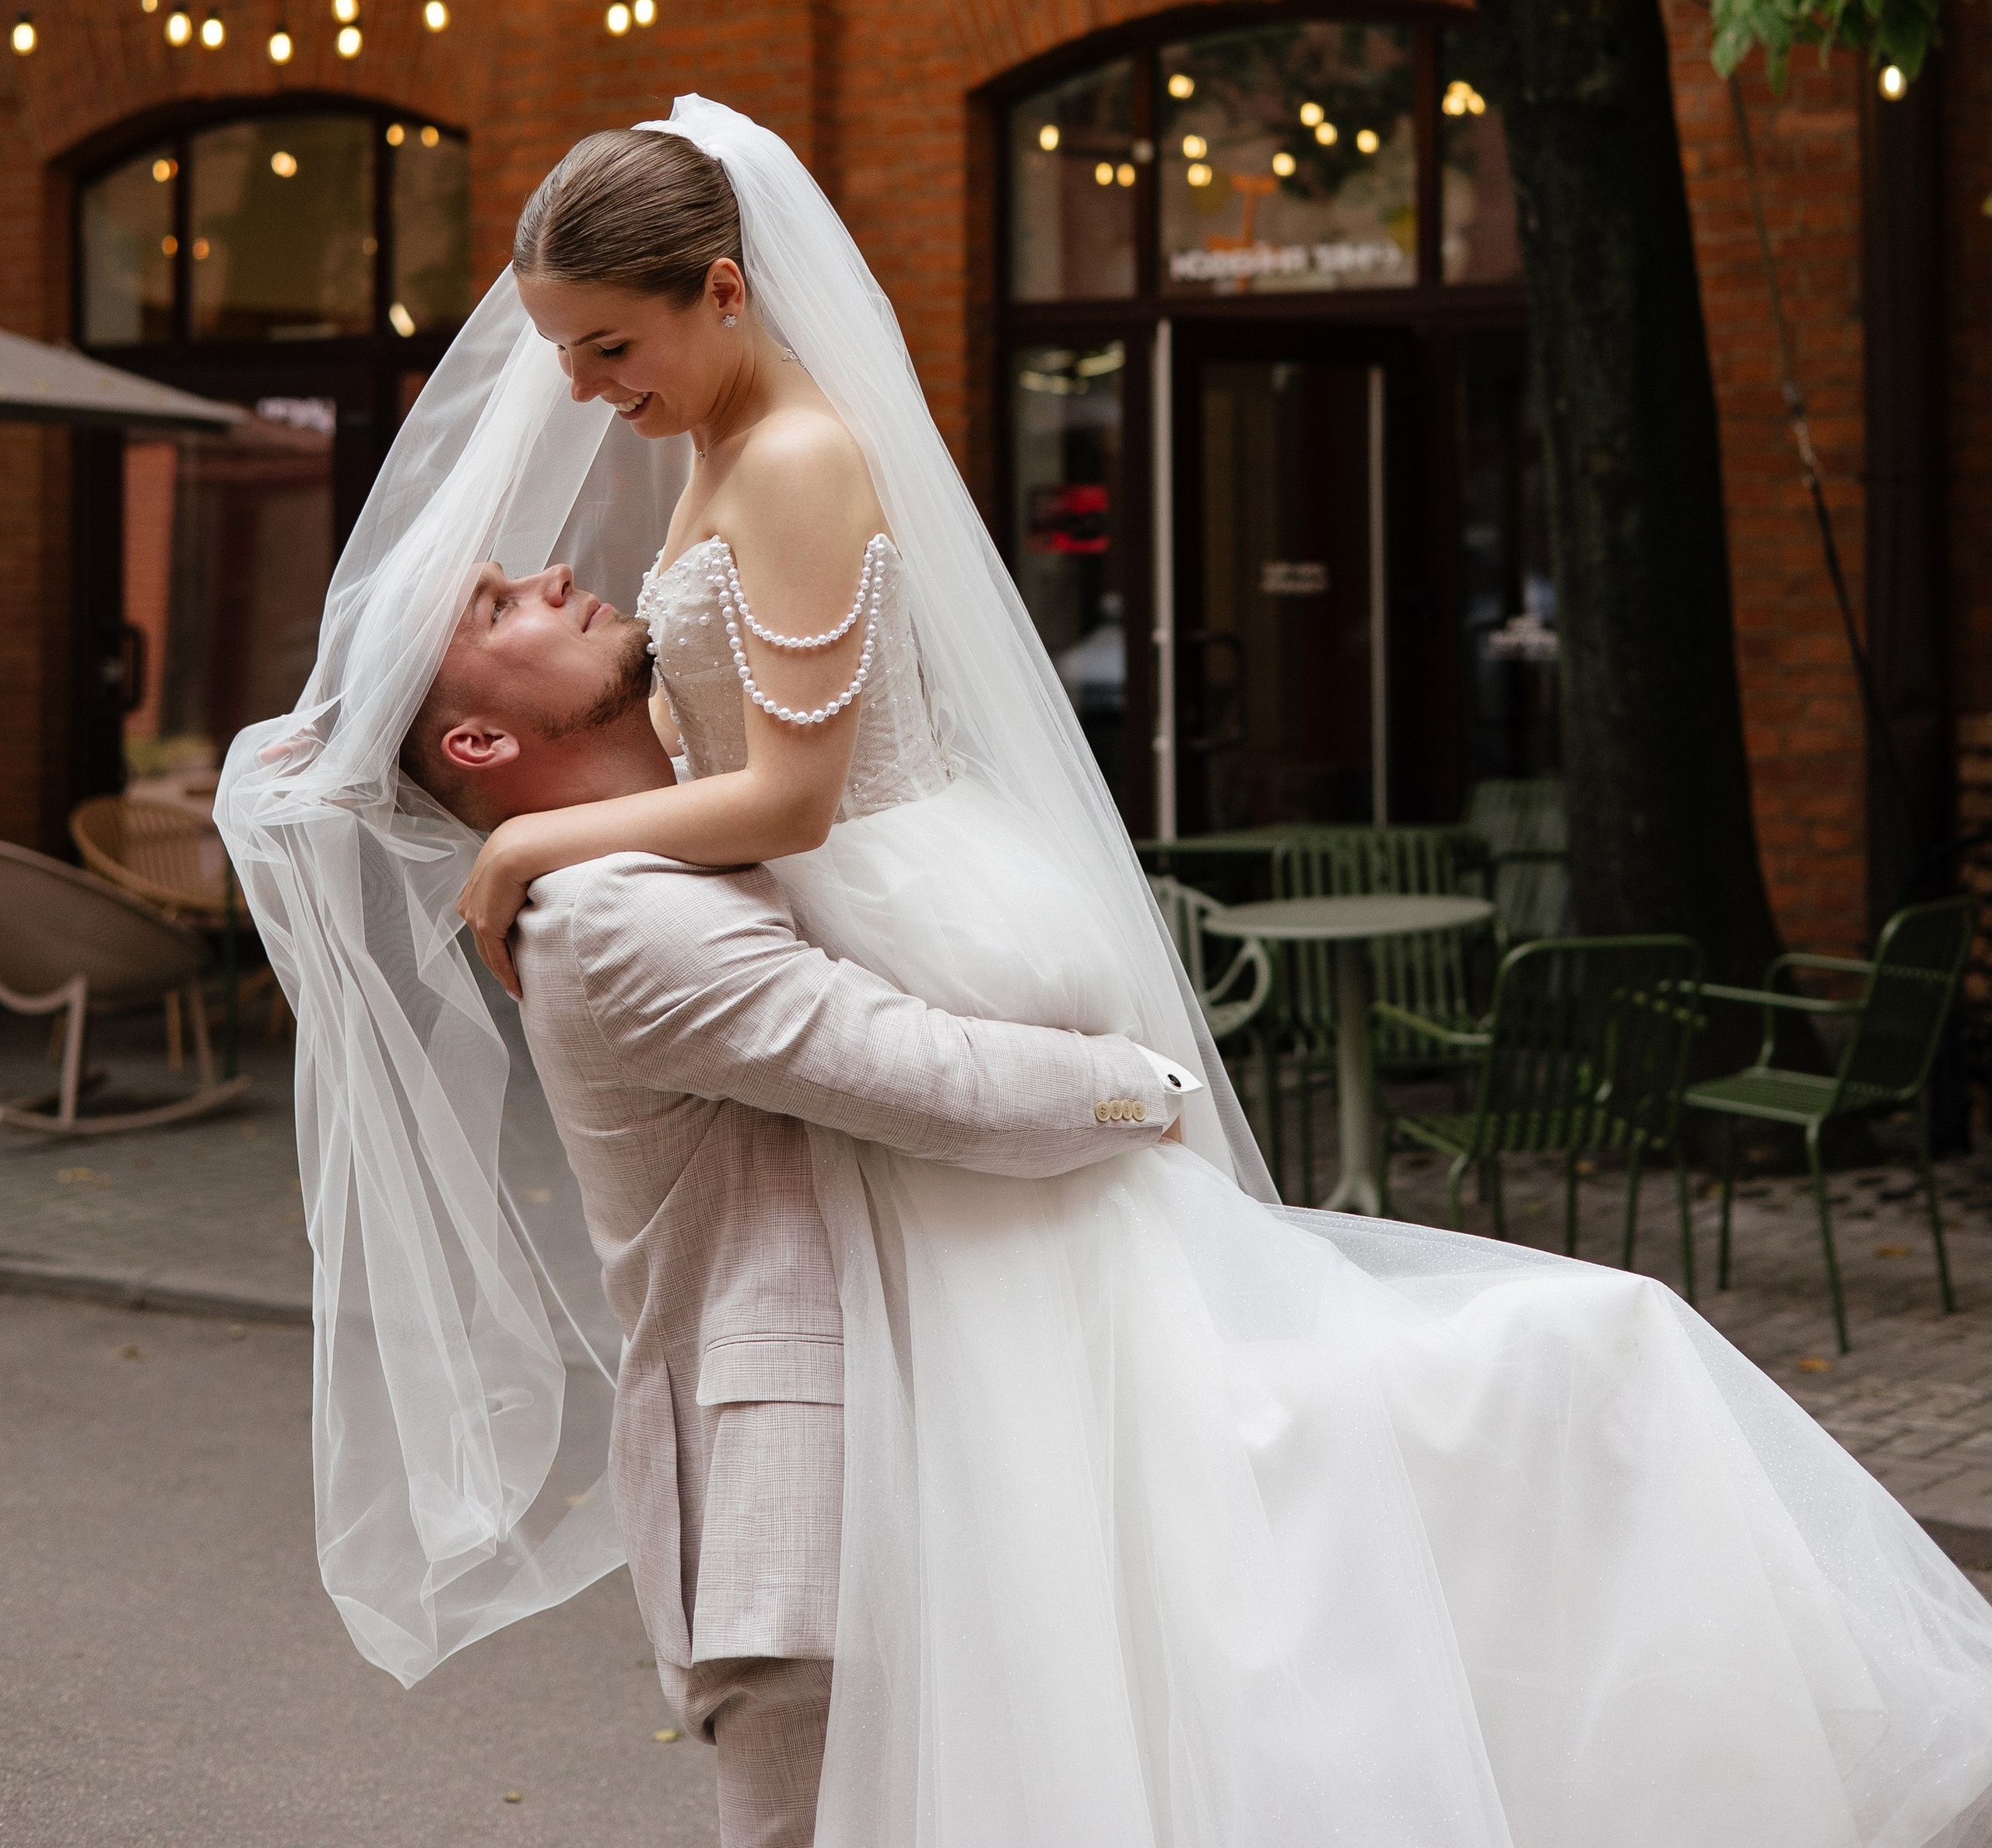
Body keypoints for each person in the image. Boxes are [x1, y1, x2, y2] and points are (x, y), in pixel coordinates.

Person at [220, 97, 1992, 1848]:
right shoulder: (705, 477)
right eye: (572, 359)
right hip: (818, 900)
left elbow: (799, 794)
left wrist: (533, 839)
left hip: (869, 865)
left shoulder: (794, 460)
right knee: (1105, 1437)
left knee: (1168, 1402)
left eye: (610, 345)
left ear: (724, 290)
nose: (589, 396)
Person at [400, 549, 1193, 1848]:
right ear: (478, 738)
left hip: (925, 1441)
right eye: (498, 609)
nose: (548, 575)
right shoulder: (614, 924)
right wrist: (1155, 1087)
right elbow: (937, 1083)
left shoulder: (678, 835)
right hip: (810, 1502)